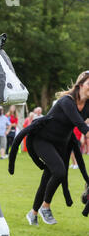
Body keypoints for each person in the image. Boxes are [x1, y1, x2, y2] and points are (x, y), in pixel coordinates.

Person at [21, 71, 89, 225]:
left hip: (60, 144)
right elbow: (80, 125)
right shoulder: (67, 101)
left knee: (47, 179)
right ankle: (46, 207)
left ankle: (33, 213)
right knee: (59, 171)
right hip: (43, 140)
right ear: (80, 85)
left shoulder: (88, 105)